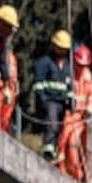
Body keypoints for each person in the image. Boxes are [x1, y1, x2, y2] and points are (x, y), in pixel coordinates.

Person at [55, 43, 92, 180]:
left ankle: (80, 174)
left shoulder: (87, 76)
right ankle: (64, 169)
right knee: (64, 139)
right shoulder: (67, 72)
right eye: (79, 64)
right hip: (69, 113)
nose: (81, 67)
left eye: (84, 65)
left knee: (77, 142)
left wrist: (90, 107)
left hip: (82, 116)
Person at [32, 30, 73, 160]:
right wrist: (43, 99)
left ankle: (59, 151)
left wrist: (71, 100)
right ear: (54, 46)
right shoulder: (44, 63)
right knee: (52, 123)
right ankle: (48, 151)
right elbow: (38, 84)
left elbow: (70, 87)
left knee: (64, 127)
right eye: (60, 48)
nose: (63, 51)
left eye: (65, 49)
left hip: (63, 103)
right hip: (49, 101)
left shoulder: (68, 66)